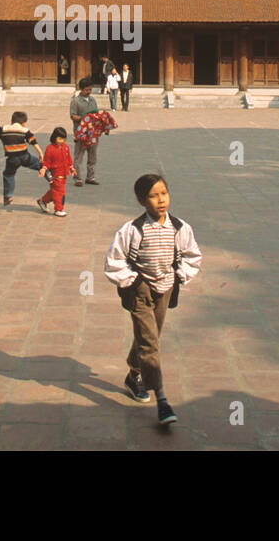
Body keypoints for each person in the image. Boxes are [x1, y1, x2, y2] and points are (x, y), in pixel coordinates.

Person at [104, 174, 202, 426]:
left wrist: (180, 277)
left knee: (151, 336)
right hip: (140, 291)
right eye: (153, 195)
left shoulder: (180, 228)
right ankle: (161, 398)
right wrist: (135, 283)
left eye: (164, 193)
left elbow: (192, 256)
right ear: (141, 200)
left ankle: (133, 374)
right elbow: (114, 261)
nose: (161, 200)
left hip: (165, 288)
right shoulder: (132, 230)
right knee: (150, 343)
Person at [0, 110, 44, 206]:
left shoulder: (2, 130)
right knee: (38, 164)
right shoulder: (24, 130)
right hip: (24, 156)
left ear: (11, 121)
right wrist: (40, 153)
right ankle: (48, 174)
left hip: (12, 158)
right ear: (23, 123)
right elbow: (33, 142)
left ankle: (8, 196)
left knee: (8, 175)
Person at [36, 126, 76, 216]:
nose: (62, 141)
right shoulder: (50, 148)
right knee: (60, 192)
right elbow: (46, 161)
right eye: (60, 139)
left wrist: (71, 167)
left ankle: (43, 201)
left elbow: (68, 159)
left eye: (64, 139)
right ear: (54, 138)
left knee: (55, 191)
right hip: (55, 175)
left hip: (64, 173)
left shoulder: (66, 147)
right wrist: (43, 169)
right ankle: (58, 209)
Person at [69, 76, 100, 187]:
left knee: (92, 156)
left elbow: (97, 113)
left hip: (93, 133)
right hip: (81, 133)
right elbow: (73, 116)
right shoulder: (75, 101)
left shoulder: (93, 100)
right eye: (86, 90)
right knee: (79, 156)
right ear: (81, 89)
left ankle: (90, 177)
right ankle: (77, 178)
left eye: (90, 90)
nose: (88, 92)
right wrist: (84, 118)